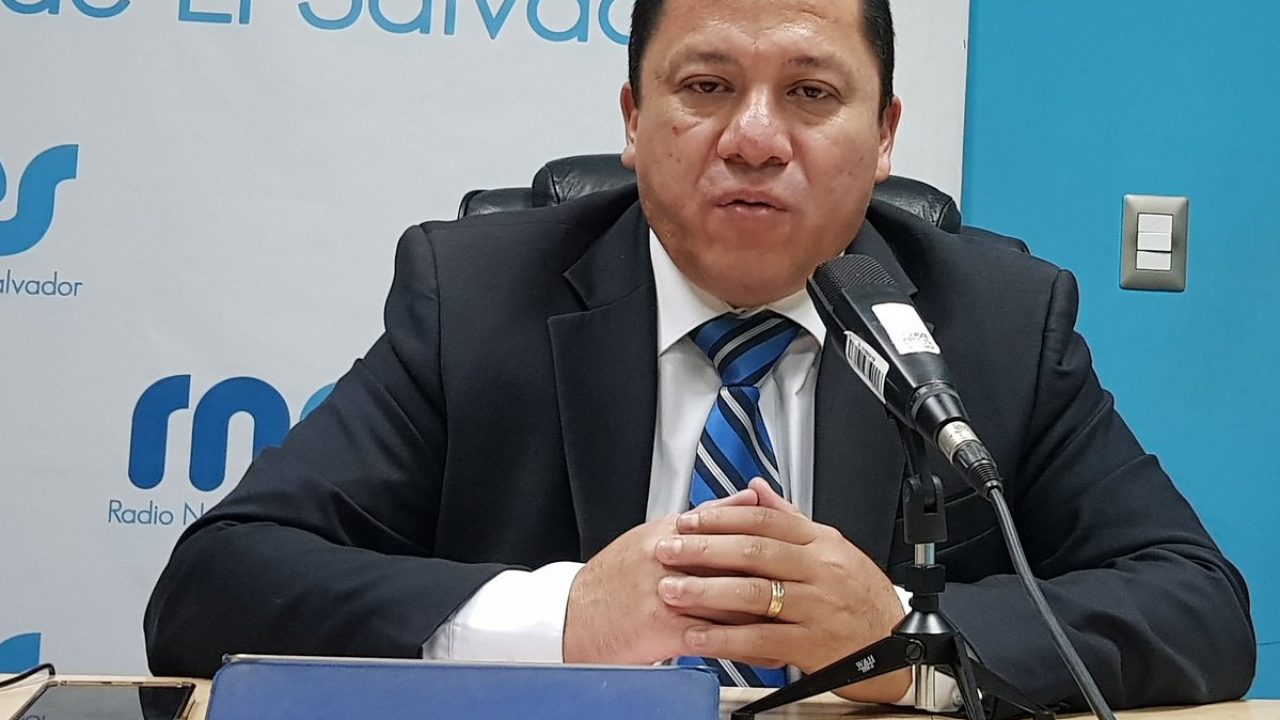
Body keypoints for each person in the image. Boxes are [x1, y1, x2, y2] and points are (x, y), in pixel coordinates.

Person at [144, 0, 1256, 712]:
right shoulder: (474, 301)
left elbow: (1198, 607)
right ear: (634, 121)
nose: (754, 138)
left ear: (883, 136)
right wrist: (564, 619)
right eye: (706, 87)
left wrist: (906, 641)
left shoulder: (995, 323)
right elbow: (214, 588)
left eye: (810, 94)